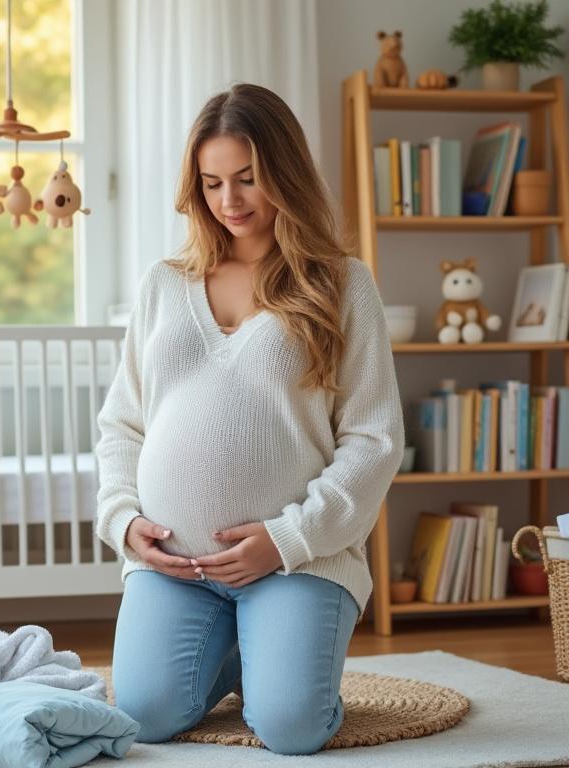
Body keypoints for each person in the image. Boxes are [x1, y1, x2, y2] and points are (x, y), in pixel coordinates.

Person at [95, 83, 404, 755]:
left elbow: (375, 441)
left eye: (248, 180)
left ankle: (283, 655)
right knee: (144, 716)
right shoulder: (163, 284)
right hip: (176, 567)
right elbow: (122, 424)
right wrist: (123, 521)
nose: (229, 201)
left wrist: (286, 539)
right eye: (211, 183)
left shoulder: (342, 283)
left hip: (297, 562)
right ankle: (254, 653)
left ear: (284, 176)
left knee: (291, 729)